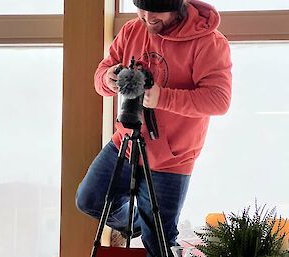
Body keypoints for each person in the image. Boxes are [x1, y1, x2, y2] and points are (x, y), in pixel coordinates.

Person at [76, 0, 232, 256]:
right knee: (89, 200)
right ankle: (140, 222)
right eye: (141, 8)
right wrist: (108, 78)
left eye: (157, 10)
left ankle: (152, 227)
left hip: (171, 159)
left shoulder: (209, 42)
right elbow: (101, 76)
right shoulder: (131, 30)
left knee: (158, 244)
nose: (147, 17)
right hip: (125, 143)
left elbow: (219, 99)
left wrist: (163, 98)